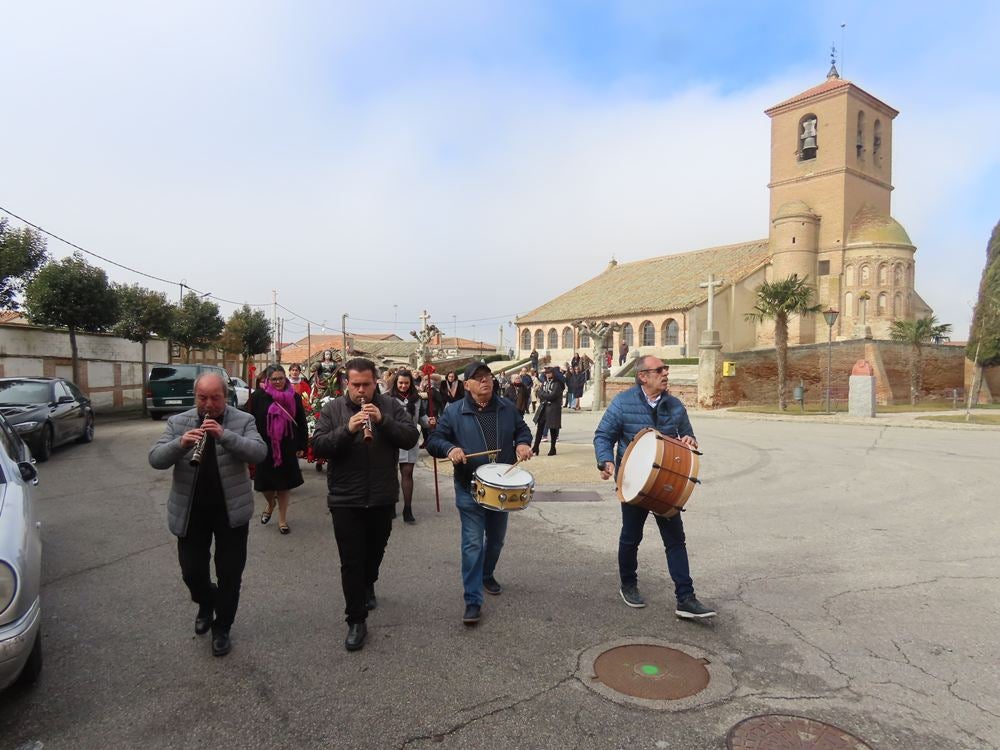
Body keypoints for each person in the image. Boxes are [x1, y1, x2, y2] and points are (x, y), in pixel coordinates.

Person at [149, 372, 267, 657]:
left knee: (230, 574)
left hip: (231, 513)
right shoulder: (179, 422)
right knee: (192, 572)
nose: (209, 404)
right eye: (203, 398)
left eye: (215, 398)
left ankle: (222, 628)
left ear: (225, 395)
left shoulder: (243, 420)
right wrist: (180, 444)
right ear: (195, 397)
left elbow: (259, 453)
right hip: (192, 513)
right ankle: (206, 601)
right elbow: (155, 459)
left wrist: (224, 435)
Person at [593, 355, 716, 620]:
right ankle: (628, 583)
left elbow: (689, 436)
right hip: (633, 482)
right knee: (631, 537)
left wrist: (689, 441)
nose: (665, 373)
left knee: (675, 540)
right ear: (643, 376)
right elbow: (603, 435)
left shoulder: (675, 406)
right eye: (659, 369)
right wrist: (604, 461)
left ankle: (685, 597)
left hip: (666, 484)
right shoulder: (623, 403)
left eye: (666, 369)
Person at [311, 357, 420, 651]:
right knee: (351, 561)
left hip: (382, 496)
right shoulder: (332, 410)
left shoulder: (391, 407)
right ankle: (356, 619)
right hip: (346, 498)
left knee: (375, 551)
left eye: (367, 385)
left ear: (376, 383)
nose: (361, 391)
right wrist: (347, 429)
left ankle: (369, 581)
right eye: (355, 385)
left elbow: (411, 438)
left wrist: (383, 422)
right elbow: (318, 446)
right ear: (347, 383)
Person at [426, 361, 532, 626]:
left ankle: (486, 574)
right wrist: (450, 449)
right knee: (473, 543)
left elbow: (522, 429)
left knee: (496, 541)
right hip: (469, 485)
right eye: (479, 377)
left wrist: (522, 444)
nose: (486, 381)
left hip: (502, 487)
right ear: (467, 385)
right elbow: (434, 440)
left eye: (488, 376)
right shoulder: (453, 411)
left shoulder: (507, 407)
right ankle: (472, 600)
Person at [250, 365, 308, 534]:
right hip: (264, 446)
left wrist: (302, 446)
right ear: (268, 380)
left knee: (284, 485)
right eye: (274, 379)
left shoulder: (294, 397)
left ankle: (282, 520)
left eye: (281, 378)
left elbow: (301, 422)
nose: (278, 382)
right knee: (264, 486)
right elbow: (247, 420)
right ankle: (270, 503)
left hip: (287, 445)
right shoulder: (258, 397)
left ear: (286, 378)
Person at [388, 369, 423, 524]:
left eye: (406, 383)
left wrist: (431, 421)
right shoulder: (387, 399)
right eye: (401, 383)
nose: (403, 386)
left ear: (411, 383)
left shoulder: (417, 399)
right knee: (391, 473)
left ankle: (407, 509)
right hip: (392, 438)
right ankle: (390, 505)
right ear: (396, 383)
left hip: (410, 439)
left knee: (407, 473)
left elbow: (422, 418)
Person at [532, 365, 564, 456]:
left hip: (553, 409)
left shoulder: (557, 384)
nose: (547, 375)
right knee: (540, 428)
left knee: (553, 429)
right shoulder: (545, 382)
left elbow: (552, 396)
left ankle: (553, 448)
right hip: (544, 407)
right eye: (546, 373)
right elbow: (539, 393)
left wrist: (543, 395)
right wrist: (543, 395)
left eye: (549, 373)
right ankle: (535, 447)